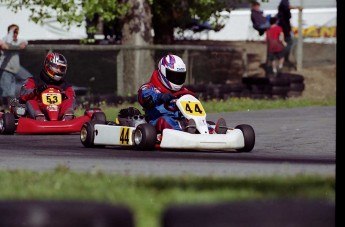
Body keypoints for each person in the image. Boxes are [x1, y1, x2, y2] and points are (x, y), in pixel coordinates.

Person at [137, 54, 227, 137]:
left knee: (198, 122)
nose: (177, 79)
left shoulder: (183, 91)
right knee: (165, 120)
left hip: (183, 119)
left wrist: (193, 99)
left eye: (179, 76)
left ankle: (212, 131)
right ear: (163, 73)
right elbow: (144, 96)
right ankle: (185, 132)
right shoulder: (149, 87)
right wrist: (160, 97)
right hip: (155, 121)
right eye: (173, 76)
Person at [19, 52, 76, 121]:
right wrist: (36, 91)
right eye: (57, 67)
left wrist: (63, 94)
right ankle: (40, 118)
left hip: (59, 111)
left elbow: (72, 95)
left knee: (70, 100)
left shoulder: (64, 84)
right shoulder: (33, 81)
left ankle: (67, 118)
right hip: (40, 109)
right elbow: (23, 94)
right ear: (48, 65)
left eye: (62, 68)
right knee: (30, 101)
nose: (59, 70)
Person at [0, 24, 32, 111]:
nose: (15, 33)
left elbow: (24, 42)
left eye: (16, 31)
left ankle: (9, 108)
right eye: (13, 31)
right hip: (6, 69)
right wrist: (11, 33)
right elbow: (5, 44)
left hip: (14, 70)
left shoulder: (17, 41)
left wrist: (16, 46)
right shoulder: (5, 39)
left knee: (11, 90)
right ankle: (8, 108)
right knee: (7, 91)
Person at [277, 0, 303, 65]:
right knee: (288, 42)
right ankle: (283, 57)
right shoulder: (284, 1)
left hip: (285, 24)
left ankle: (284, 57)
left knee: (288, 41)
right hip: (284, 25)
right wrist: (297, 7)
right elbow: (287, 6)